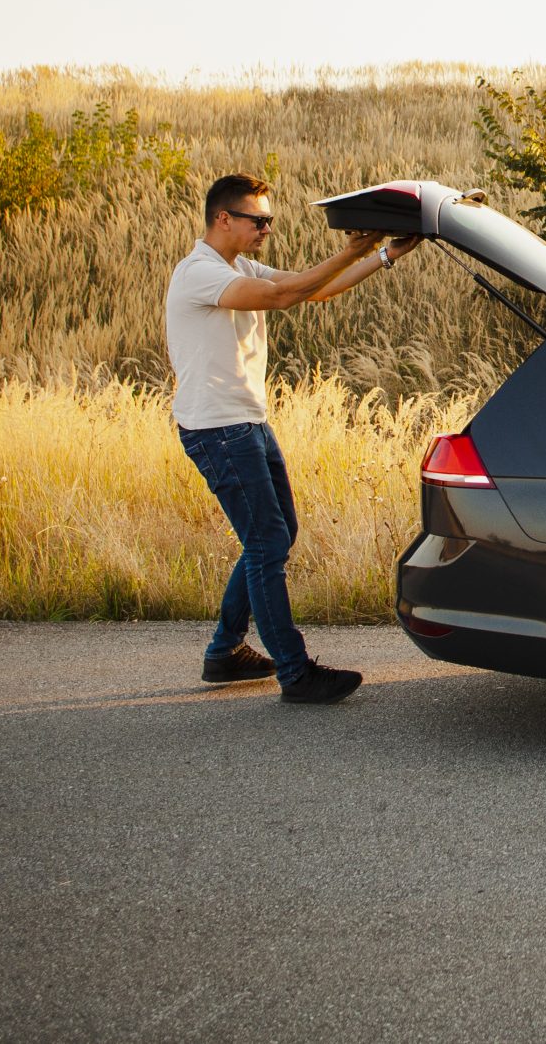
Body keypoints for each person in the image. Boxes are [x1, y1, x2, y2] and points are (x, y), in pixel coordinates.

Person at [165, 172, 420, 704]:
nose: (266, 229)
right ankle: (295, 672)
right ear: (223, 218)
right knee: (266, 544)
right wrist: (354, 247)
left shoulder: (239, 267)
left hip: (246, 421)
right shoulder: (198, 275)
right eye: (258, 220)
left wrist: (384, 255)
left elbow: (315, 291)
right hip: (219, 429)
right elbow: (284, 296)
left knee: (276, 535)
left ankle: (224, 654)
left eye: (270, 221)